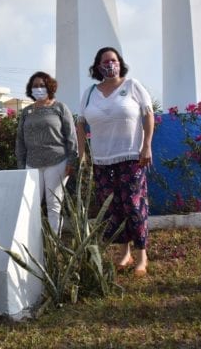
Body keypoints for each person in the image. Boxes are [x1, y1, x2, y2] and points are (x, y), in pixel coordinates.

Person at [76, 47, 154, 276]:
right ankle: (124, 253)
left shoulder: (132, 86)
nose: (110, 64)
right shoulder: (90, 92)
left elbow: (148, 115)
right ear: (98, 66)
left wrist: (147, 145)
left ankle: (142, 256)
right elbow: (80, 123)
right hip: (102, 160)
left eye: (114, 60)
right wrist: (82, 153)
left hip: (132, 157)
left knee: (133, 205)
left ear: (120, 63)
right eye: (105, 61)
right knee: (112, 208)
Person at [16, 71, 78, 234]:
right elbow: (20, 140)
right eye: (35, 86)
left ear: (49, 87)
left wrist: (72, 161)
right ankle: (33, 246)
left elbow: (71, 136)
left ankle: (54, 248)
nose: (38, 89)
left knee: (53, 205)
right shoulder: (26, 111)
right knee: (30, 204)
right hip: (31, 164)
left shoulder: (60, 108)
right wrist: (21, 164)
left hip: (57, 162)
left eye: (42, 85)